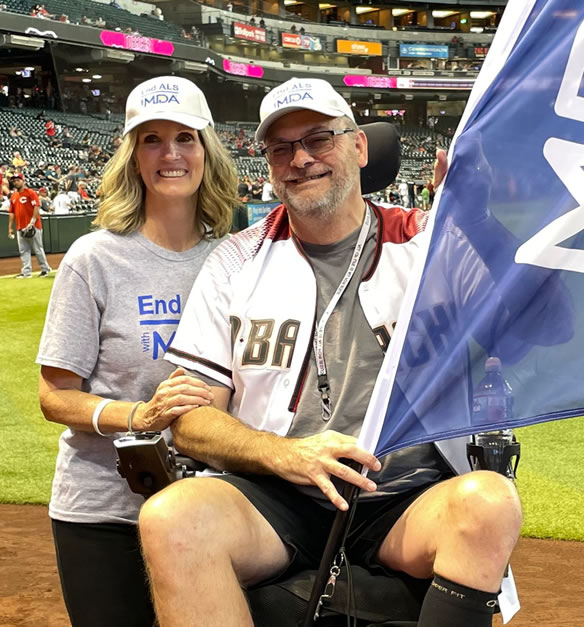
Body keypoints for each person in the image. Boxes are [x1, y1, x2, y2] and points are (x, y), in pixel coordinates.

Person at [139, 78, 519, 627]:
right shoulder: (235, 260)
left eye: (319, 139)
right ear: (269, 165)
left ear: (359, 147)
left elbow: (548, 325)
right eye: (281, 148)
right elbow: (191, 421)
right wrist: (286, 455)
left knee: (489, 502)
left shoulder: (431, 240)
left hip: (407, 493)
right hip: (278, 495)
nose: (301, 159)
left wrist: (478, 221)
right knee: (172, 519)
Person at [35, 75, 238, 627]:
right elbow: (55, 397)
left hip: (210, 507)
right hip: (103, 510)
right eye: (151, 139)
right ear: (133, 155)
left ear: (206, 151)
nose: (170, 153)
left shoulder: (238, 260)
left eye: (185, 138)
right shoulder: (93, 258)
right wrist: (140, 417)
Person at [7, 174, 53, 278]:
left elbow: (36, 207)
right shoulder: (14, 196)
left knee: (37, 248)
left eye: (18, 180)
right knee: (23, 250)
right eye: (14, 181)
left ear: (23, 181)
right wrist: (10, 228)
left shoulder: (30, 193)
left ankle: (45, 269)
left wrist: (32, 223)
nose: (16, 182)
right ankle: (26, 272)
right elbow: (11, 213)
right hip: (20, 227)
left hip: (33, 226)